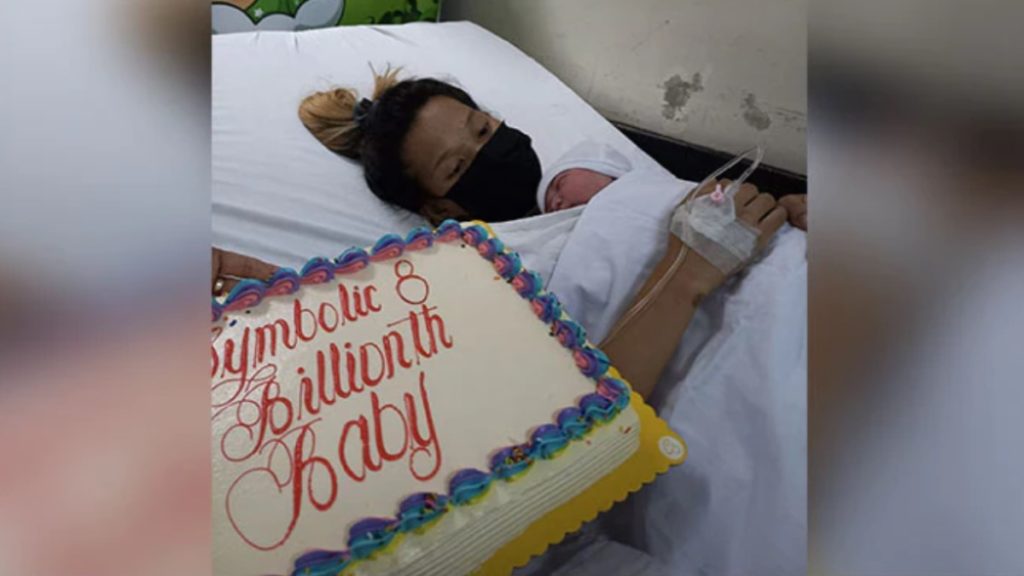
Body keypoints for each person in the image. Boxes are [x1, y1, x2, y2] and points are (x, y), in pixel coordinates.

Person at [213, 67, 790, 398]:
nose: (492, 150)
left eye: (483, 129)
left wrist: (788, 212)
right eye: (458, 166)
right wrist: (687, 272)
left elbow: (697, 206)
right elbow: (577, 413)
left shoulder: (589, 166)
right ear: (439, 206)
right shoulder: (482, 274)